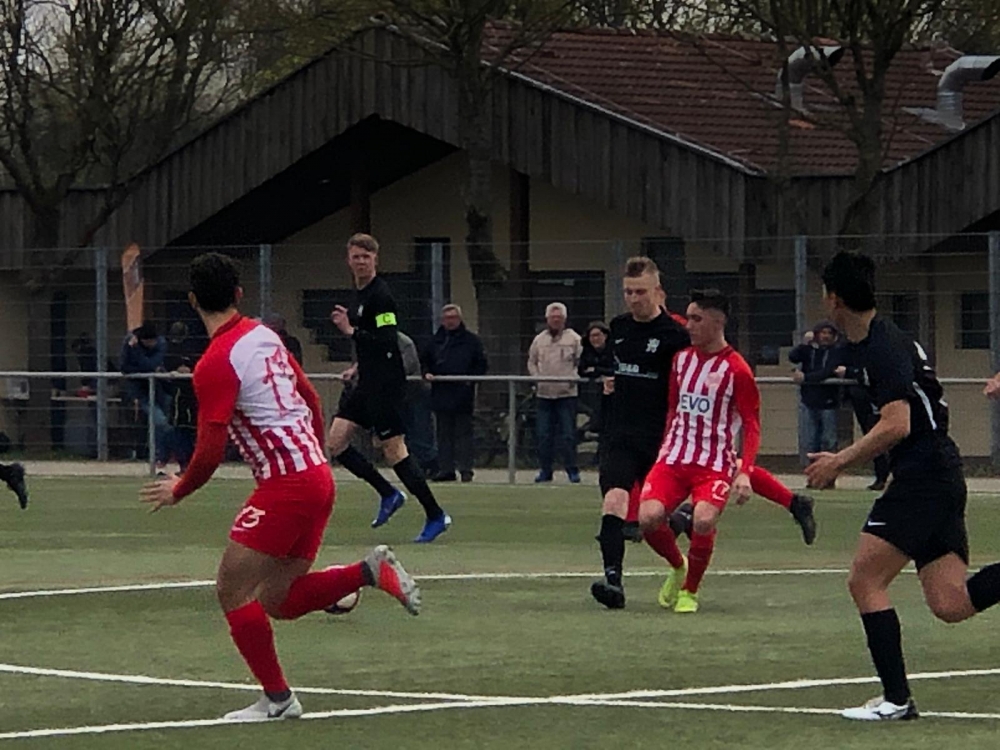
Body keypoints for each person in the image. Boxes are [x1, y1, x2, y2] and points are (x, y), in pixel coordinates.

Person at [139, 252, 421, 721]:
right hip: (316, 477)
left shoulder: (215, 362)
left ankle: (278, 700)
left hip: (286, 485)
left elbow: (209, 450)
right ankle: (367, 572)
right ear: (239, 294)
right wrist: (313, 454)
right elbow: (310, 398)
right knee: (279, 599)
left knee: (232, 590)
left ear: (192, 301)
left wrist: (179, 488)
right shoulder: (265, 336)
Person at [806, 252, 1000, 721]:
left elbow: (898, 423)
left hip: (926, 476)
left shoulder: (882, 347)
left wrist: (838, 462)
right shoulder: (874, 341)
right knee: (951, 603)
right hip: (934, 473)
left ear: (833, 299)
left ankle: (895, 700)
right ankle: (896, 700)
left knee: (864, 580)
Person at [636, 289, 760, 615]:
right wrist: (664, 447)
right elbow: (673, 408)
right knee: (647, 518)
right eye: (688, 317)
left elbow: (752, 425)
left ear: (717, 323)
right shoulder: (681, 360)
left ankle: (690, 591)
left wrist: (745, 471)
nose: (688, 325)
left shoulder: (737, 370)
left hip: (713, 463)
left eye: (696, 319)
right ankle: (678, 566)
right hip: (674, 458)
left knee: (703, 519)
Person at [328, 233, 451, 543]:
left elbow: (386, 339)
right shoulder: (359, 293)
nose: (361, 261)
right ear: (348, 260)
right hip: (367, 381)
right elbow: (371, 344)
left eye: (366, 257)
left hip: (385, 385)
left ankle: (436, 514)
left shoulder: (381, 296)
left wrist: (350, 331)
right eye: (356, 256)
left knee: (394, 450)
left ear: (375, 260)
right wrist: (357, 366)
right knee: (336, 442)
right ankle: (388, 493)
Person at [590, 258, 689, 610]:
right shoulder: (619, 328)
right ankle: (613, 581)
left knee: (652, 519)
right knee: (614, 501)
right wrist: (608, 385)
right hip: (620, 435)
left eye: (641, 292)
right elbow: (611, 370)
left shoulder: (676, 336)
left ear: (658, 292)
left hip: (660, 439)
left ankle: (682, 521)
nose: (634, 299)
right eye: (628, 292)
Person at [423, 304, 488, 483]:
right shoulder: (435, 341)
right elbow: (425, 360)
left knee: (464, 434)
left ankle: (466, 469)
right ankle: (446, 469)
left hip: (463, 395)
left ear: (459, 319)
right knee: (443, 434)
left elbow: (481, 364)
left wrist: (470, 381)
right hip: (441, 393)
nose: (450, 321)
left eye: (453, 318)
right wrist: (426, 373)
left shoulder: (471, 341)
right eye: (447, 318)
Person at [527, 302, 583, 483]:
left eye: (559, 318)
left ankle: (572, 470)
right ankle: (545, 470)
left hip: (567, 395)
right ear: (547, 319)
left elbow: (580, 362)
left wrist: (572, 378)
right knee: (543, 435)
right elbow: (531, 362)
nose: (555, 320)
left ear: (564, 319)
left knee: (568, 435)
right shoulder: (539, 340)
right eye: (553, 318)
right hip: (544, 395)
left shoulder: (574, 339)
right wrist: (537, 378)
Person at [789, 322, 847, 486]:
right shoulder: (809, 351)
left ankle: (828, 478)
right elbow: (793, 357)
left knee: (828, 441)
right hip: (809, 402)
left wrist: (806, 378)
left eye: (829, 333)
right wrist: (804, 343)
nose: (825, 336)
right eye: (822, 333)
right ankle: (813, 478)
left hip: (829, 403)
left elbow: (828, 371)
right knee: (810, 442)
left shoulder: (837, 352)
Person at [120, 321, 173, 468]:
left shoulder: (160, 343)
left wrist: (137, 354)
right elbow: (124, 367)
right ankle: (154, 456)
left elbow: (151, 365)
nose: (152, 344)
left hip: (160, 388)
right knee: (159, 420)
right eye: (149, 342)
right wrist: (138, 354)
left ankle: (161, 456)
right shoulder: (130, 342)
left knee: (165, 423)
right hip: (139, 390)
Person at [397, 330, 439, 477]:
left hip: (415, 392)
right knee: (407, 431)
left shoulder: (404, 342)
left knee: (421, 429)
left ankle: (429, 463)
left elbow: (408, 366)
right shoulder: (377, 342)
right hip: (398, 395)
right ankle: (414, 464)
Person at [164, 322, 203, 472]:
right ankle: (183, 462)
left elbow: (196, 363)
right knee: (178, 427)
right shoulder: (169, 349)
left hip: (192, 391)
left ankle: (193, 462)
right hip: (179, 392)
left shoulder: (192, 347)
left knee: (193, 426)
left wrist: (190, 368)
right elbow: (169, 365)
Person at [577, 321, 614, 456]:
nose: (595, 339)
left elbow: (615, 369)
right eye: (592, 336)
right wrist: (598, 372)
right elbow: (582, 370)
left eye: (598, 335)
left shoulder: (613, 349)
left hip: (611, 394)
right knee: (595, 423)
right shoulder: (587, 351)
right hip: (591, 393)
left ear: (605, 336)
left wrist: (597, 370)